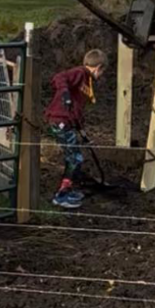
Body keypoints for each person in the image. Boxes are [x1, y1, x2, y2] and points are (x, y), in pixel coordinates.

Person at [44, 49, 107, 209]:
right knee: (75, 158)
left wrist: (82, 131)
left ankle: (69, 189)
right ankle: (61, 195)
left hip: (68, 122)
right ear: (98, 67)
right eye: (102, 72)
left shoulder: (87, 82)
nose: (101, 76)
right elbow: (59, 78)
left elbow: (76, 109)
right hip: (60, 120)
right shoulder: (80, 73)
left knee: (72, 156)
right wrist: (64, 94)